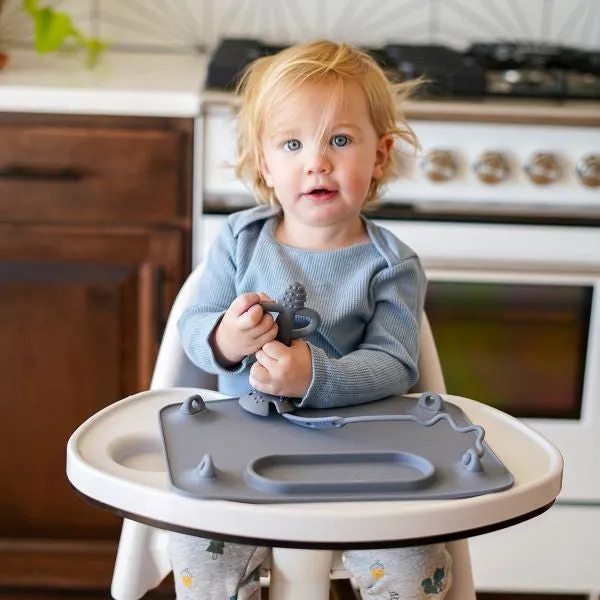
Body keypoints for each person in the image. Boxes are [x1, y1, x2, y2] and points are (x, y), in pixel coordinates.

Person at [173, 39, 452, 600]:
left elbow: (396, 364)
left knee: (412, 562)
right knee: (200, 554)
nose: (317, 161)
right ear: (264, 164)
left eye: (341, 140)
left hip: (363, 449)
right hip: (240, 443)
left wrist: (313, 377)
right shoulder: (239, 240)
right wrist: (225, 337)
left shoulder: (391, 264)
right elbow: (195, 324)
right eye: (293, 143)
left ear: (379, 156)